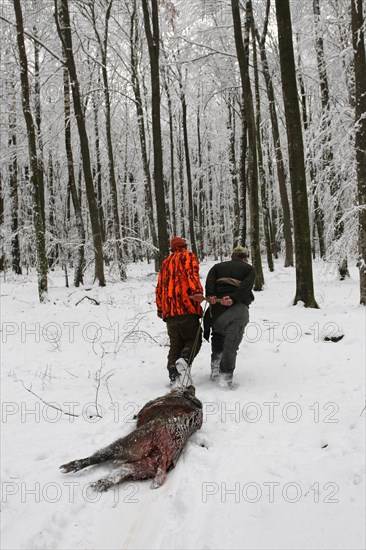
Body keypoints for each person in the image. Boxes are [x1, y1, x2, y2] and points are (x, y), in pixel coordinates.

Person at [204, 246, 255, 388]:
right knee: (231, 345)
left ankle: (215, 368)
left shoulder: (217, 267)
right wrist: (233, 298)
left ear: (232, 256)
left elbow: (209, 282)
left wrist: (211, 295)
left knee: (218, 336)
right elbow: (246, 287)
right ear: (245, 258)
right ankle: (225, 377)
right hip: (238, 311)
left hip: (217, 312)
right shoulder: (249, 269)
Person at [156, 237, 204, 387]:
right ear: (184, 246)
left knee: (175, 343)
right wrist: (197, 292)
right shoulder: (188, 256)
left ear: (172, 249)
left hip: (169, 311)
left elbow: (160, 287)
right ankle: (184, 360)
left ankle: (173, 373)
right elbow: (191, 275)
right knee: (194, 338)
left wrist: (160, 308)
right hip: (186, 307)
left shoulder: (165, 262)